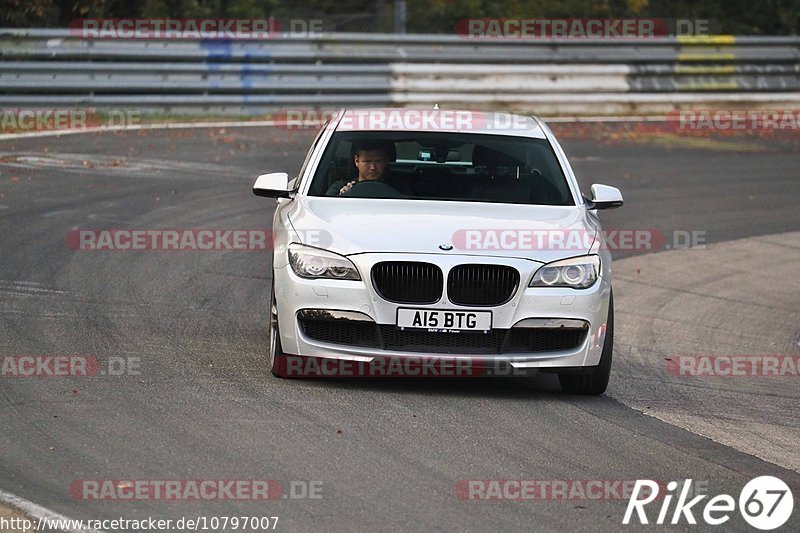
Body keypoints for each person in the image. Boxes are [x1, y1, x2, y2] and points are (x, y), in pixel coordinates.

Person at [326, 141, 392, 196]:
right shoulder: (338, 188)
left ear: (386, 161)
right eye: (367, 161)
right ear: (357, 161)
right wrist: (342, 196)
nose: (373, 167)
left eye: (378, 161)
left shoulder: (398, 188)